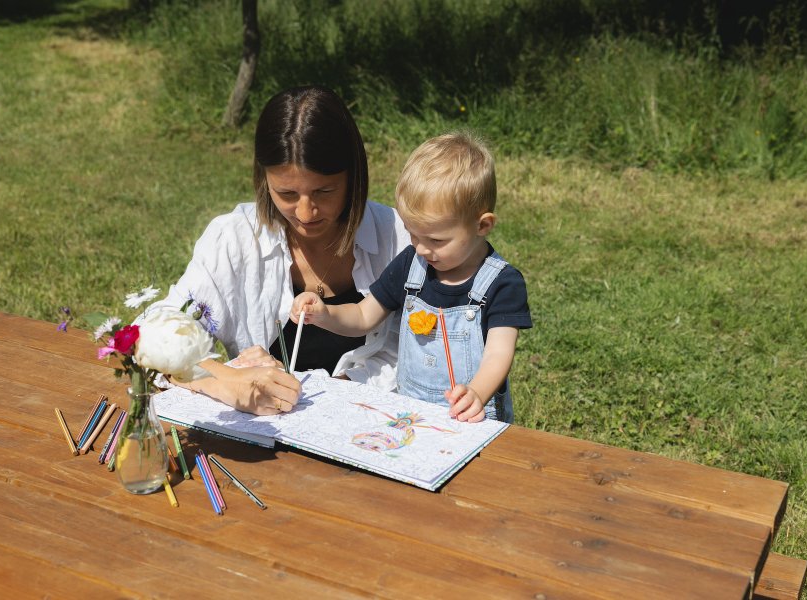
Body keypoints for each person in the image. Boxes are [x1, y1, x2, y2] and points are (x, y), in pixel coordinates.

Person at [147, 85, 409, 415]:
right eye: (286, 194)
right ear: (263, 180)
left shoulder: (401, 238)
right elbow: (157, 334)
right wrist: (224, 380)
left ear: (354, 177)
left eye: (324, 191)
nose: (305, 213)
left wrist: (338, 391)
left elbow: (428, 351)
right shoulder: (235, 239)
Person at [291, 132, 532, 423]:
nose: (421, 247)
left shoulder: (502, 284)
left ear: (482, 225)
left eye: (435, 239)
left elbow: (498, 354)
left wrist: (477, 393)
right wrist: (325, 313)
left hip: (473, 419)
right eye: (413, 233)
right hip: (411, 415)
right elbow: (363, 316)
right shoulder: (412, 264)